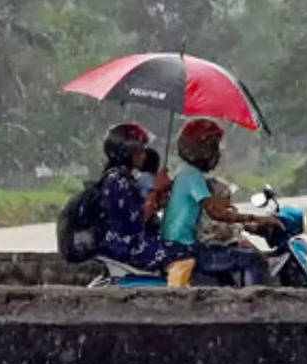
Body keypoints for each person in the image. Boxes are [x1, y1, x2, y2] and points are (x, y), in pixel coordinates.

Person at [161, 119, 280, 286]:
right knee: (254, 260)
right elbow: (216, 213)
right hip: (185, 250)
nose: (218, 153)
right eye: (214, 147)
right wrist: (259, 219)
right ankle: (254, 304)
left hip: (179, 246)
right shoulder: (192, 176)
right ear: (203, 149)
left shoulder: (185, 173)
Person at [96, 123, 175, 271]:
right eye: (139, 151)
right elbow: (139, 219)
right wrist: (156, 190)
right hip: (127, 248)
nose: (144, 155)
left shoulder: (121, 177)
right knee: (180, 254)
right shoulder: (119, 180)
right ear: (126, 153)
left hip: (128, 243)